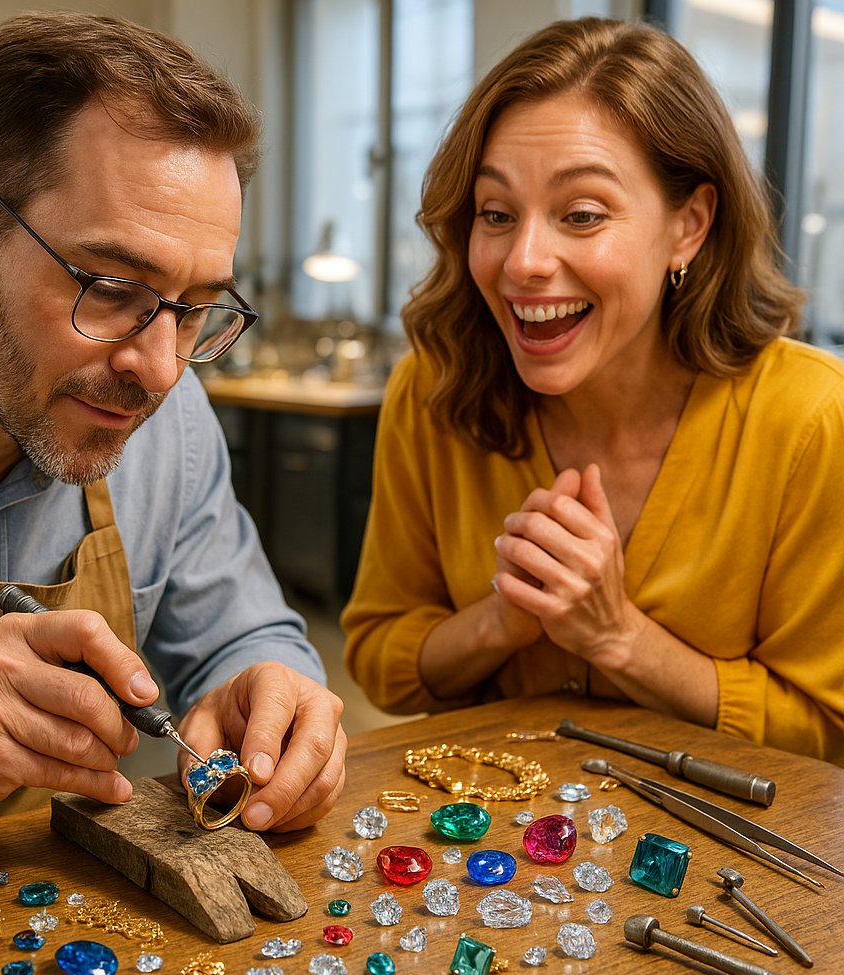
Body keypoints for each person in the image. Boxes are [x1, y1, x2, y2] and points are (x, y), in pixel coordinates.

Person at [0, 11, 345, 850]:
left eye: (198, 308)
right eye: (109, 286)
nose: (162, 369)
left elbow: (245, 636)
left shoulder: (168, 427)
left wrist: (273, 696)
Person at [342, 16, 844, 764]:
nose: (524, 261)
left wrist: (619, 637)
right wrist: (504, 620)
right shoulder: (434, 386)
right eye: (496, 215)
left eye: (581, 215)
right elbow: (380, 658)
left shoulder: (811, 419)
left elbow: (828, 734)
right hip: (491, 840)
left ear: (689, 226)